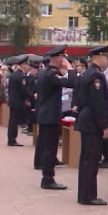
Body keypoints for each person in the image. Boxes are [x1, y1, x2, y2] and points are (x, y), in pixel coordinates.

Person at [33, 46, 76, 190]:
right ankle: (48, 179)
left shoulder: (44, 72)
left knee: (48, 147)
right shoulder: (52, 74)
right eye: (63, 57)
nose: (64, 60)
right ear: (57, 58)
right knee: (50, 148)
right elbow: (71, 83)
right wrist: (70, 68)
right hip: (50, 115)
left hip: (45, 114)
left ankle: (47, 177)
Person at [74, 45, 108, 206]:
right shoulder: (96, 76)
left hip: (86, 119)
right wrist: (104, 125)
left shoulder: (86, 74)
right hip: (92, 122)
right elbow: (98, 103)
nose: (107, 61)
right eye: (106, 58)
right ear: (99, 57)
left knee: (86, 159)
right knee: (91, 160)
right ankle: (88, 195)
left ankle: (84, 193)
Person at [6, 56, 30, 146]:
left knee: (13, 120)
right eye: (27, 64)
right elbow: (22, 90)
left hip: (13, 100)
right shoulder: (19, 76)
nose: (28, 67)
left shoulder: (15, 75)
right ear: (23, 65)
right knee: (14, 121)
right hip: (17, 101)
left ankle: (11, 138)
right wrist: (31, 96)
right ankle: (12, 139)